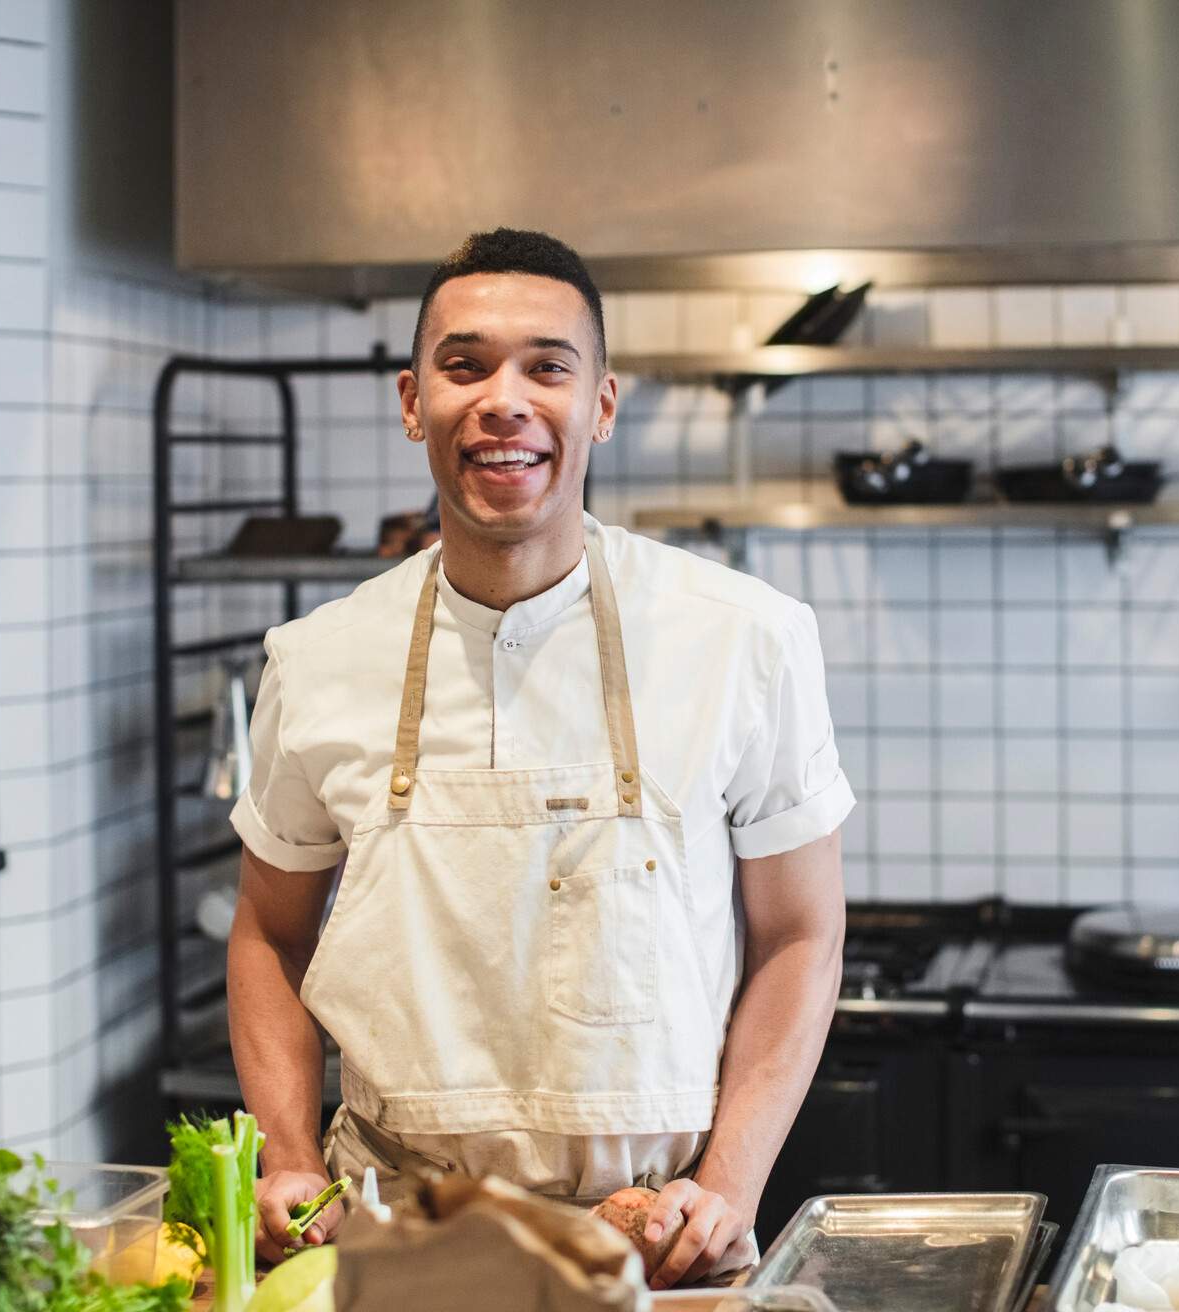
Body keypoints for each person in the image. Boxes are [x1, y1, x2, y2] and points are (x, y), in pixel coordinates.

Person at [226, 229, 852, 1288]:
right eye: (464, 366)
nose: (504, 400)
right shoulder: (319, 657)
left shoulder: (746, 637)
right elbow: (268, 934)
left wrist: (731, 1187)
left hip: (653, 1242)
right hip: (390, 1240)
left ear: (601, 404)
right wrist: (287, 1157)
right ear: (412, 401)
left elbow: (801, 932)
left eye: (547, 368)